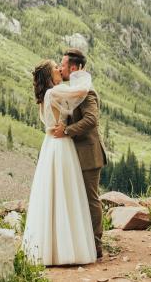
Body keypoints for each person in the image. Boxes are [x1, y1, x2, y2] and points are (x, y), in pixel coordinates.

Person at [21, 59, 97, 265]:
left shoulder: (48, 95)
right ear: (48, 75)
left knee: (52, 194)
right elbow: (82, 92)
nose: (59, 69)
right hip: (61, 145)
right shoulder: (52, 93)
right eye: (55, 67)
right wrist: (81, 74)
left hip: (50, 144)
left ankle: (51, 249)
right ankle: (68, 248)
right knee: (65, 192)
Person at [51, 48, 107, 258]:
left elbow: (91, 120)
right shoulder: (74, 89)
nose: (60, 67)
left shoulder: (87, 91)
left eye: (62, 65)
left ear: (73, 68)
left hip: (89, 155)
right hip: (77, 155)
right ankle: (83, 243)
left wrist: (66, 131)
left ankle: (96, 245)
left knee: (91, 199)